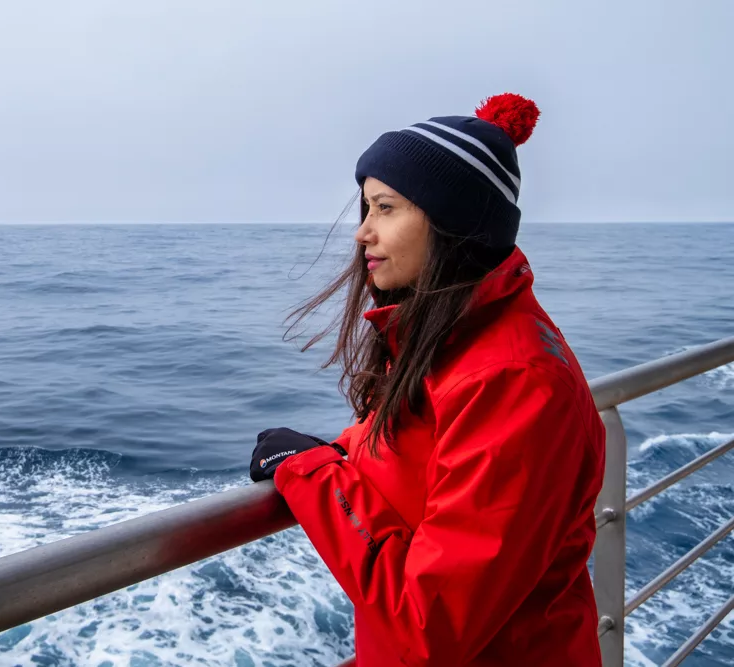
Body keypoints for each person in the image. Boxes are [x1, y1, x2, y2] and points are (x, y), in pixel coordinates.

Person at [248, 94, 606, 666]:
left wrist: (310, 473)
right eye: (366, 209)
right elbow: (423, 456)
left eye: (385, 208)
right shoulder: (452, 341)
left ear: (452, 219)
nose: (363, 233)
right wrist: (339, 450)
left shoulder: (511, 381)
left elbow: (430, 622)